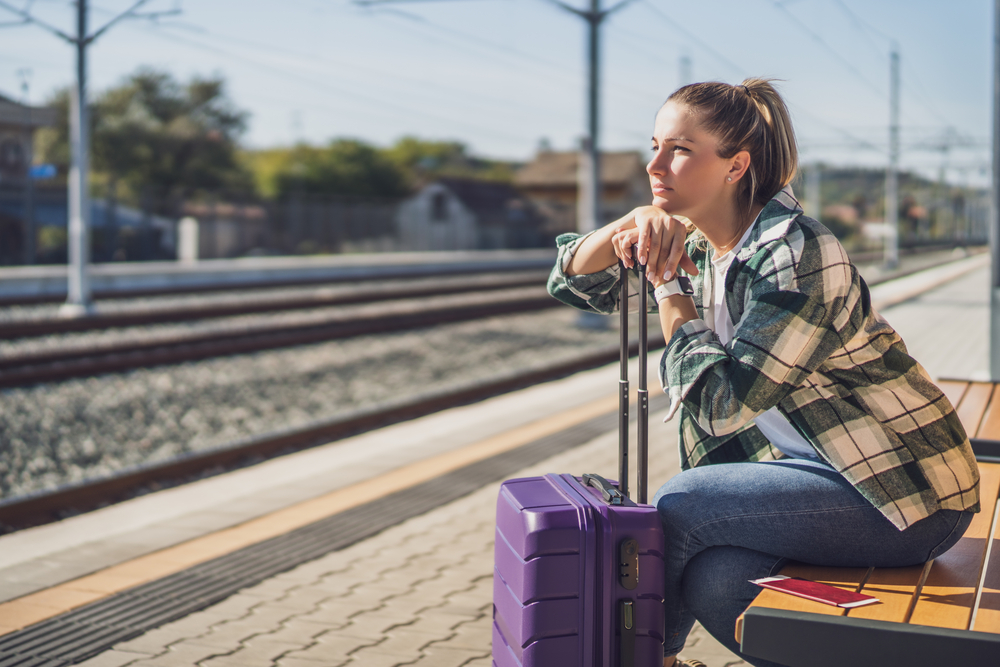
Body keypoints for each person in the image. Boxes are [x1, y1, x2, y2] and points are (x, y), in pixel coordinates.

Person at [546, 78, 981, 667]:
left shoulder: (794, 251)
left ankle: (648, 661)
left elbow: (723, 404)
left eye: (678, 149)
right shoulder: (700, 244)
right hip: (813, 477)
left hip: (901, 492)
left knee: (679, 506)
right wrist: (636, 217)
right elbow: (574, 282)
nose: (654, 164)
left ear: (736, 165)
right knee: (716, 581)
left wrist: (669, 288)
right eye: (654, 145)